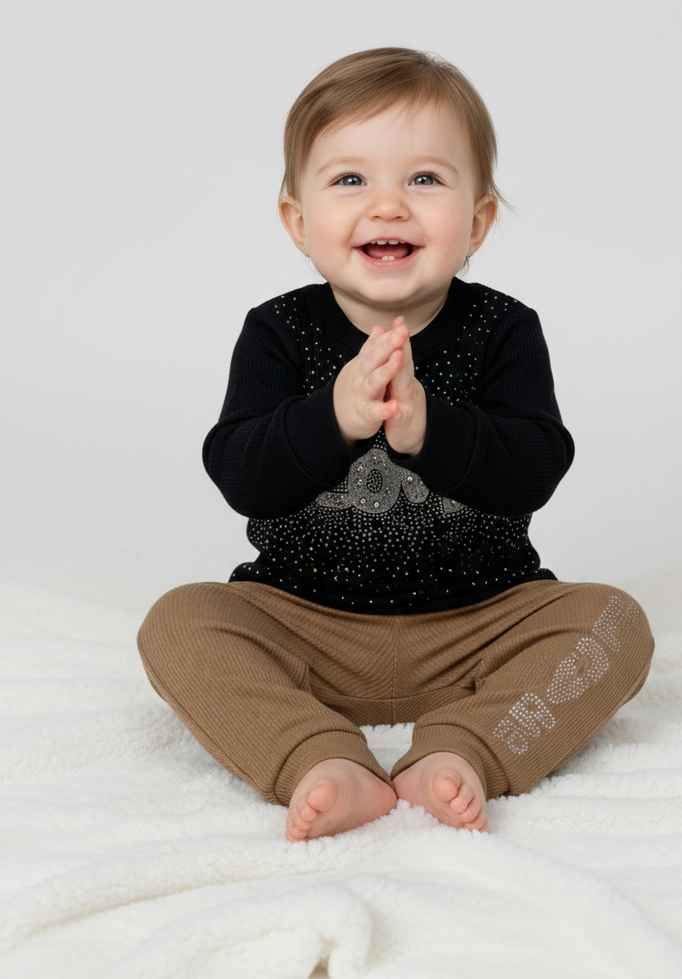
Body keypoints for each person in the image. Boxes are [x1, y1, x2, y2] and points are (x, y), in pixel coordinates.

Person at [137, 46, 654, 844]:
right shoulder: (279, 331)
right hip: (304, 620)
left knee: (613, 624)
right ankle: (316, 754)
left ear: (477, 220)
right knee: (178, 621)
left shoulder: (503, 329)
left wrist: (427, 430)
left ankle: (463, 749)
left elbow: (536, 467)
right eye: (350, 180)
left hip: (479, 620)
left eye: (424, 179)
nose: (388, 207)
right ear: (298, 222)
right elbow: (242, 474)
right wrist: (334, 417)